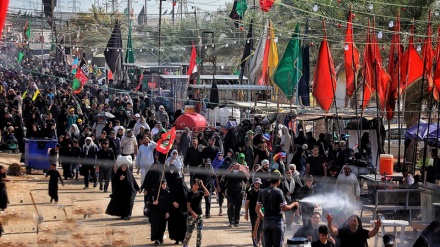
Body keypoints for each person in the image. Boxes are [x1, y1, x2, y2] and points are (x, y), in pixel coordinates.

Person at [256, 170, 300, 247]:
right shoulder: (278, 192)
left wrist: (263, 217)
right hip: (277, 222)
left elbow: (257, 209)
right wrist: (294, 204)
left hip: (266, 222)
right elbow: (284, 208)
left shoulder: (263, 192)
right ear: (278, 181)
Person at [182, 179, 210, 247]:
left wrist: (202, 185)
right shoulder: (189, 194)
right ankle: (185, 244)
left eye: (198, 185)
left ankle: (198, 245)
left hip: (199, 215)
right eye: (195, 185)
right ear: (192, 185)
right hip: (191, 216)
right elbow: (188, 205)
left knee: (199, 232)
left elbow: (207, 193)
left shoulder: (200, 192)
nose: (196, 186)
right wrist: (192, 213)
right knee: (189, 232)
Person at [223, 163, 248, 227]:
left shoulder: (241, 173)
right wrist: (223, 191)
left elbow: (246, 182)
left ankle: (237, 221)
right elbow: (225, 183)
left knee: (238, 208)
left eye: (237, 166)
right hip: (230, 193)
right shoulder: (229, 173)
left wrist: (246, 191)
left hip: (239, 193)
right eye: (234, 166)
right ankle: (231, 222)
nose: (236, 167)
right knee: (231, 207)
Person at [168, 176, 189, 245]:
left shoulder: (186, 189)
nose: (179, 184)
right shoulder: (173, 189)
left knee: (183, 225)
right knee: (174, 225)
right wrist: (173, 202)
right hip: (174, 212)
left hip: (183, 211)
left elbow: (189, 199)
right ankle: (176, 239)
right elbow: (169, 197)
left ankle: (182, 239)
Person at [150, 180, 170, 245]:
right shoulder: (154, 191)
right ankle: (156, 239)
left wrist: (167, 212)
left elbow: (168, 204)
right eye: (163, 184)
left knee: (162, 226)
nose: (164, 186)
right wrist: (153, 202)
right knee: (156, 226)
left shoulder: (167, 193)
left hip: (163, 213)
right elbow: (149, 199)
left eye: (165, 184)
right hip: (155, 213)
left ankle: (160, 238)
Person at [245, 177, 263, 247]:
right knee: (254, 227)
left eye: (258, 183)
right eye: (256, 183)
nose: (257, 184)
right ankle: (255, 242)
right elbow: (247, 203)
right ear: (253, 184)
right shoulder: (250, 192)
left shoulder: (262, 192)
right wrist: (246, 213)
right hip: (252, 212)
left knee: (260, 227)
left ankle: (258, 241)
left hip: (261, 212)